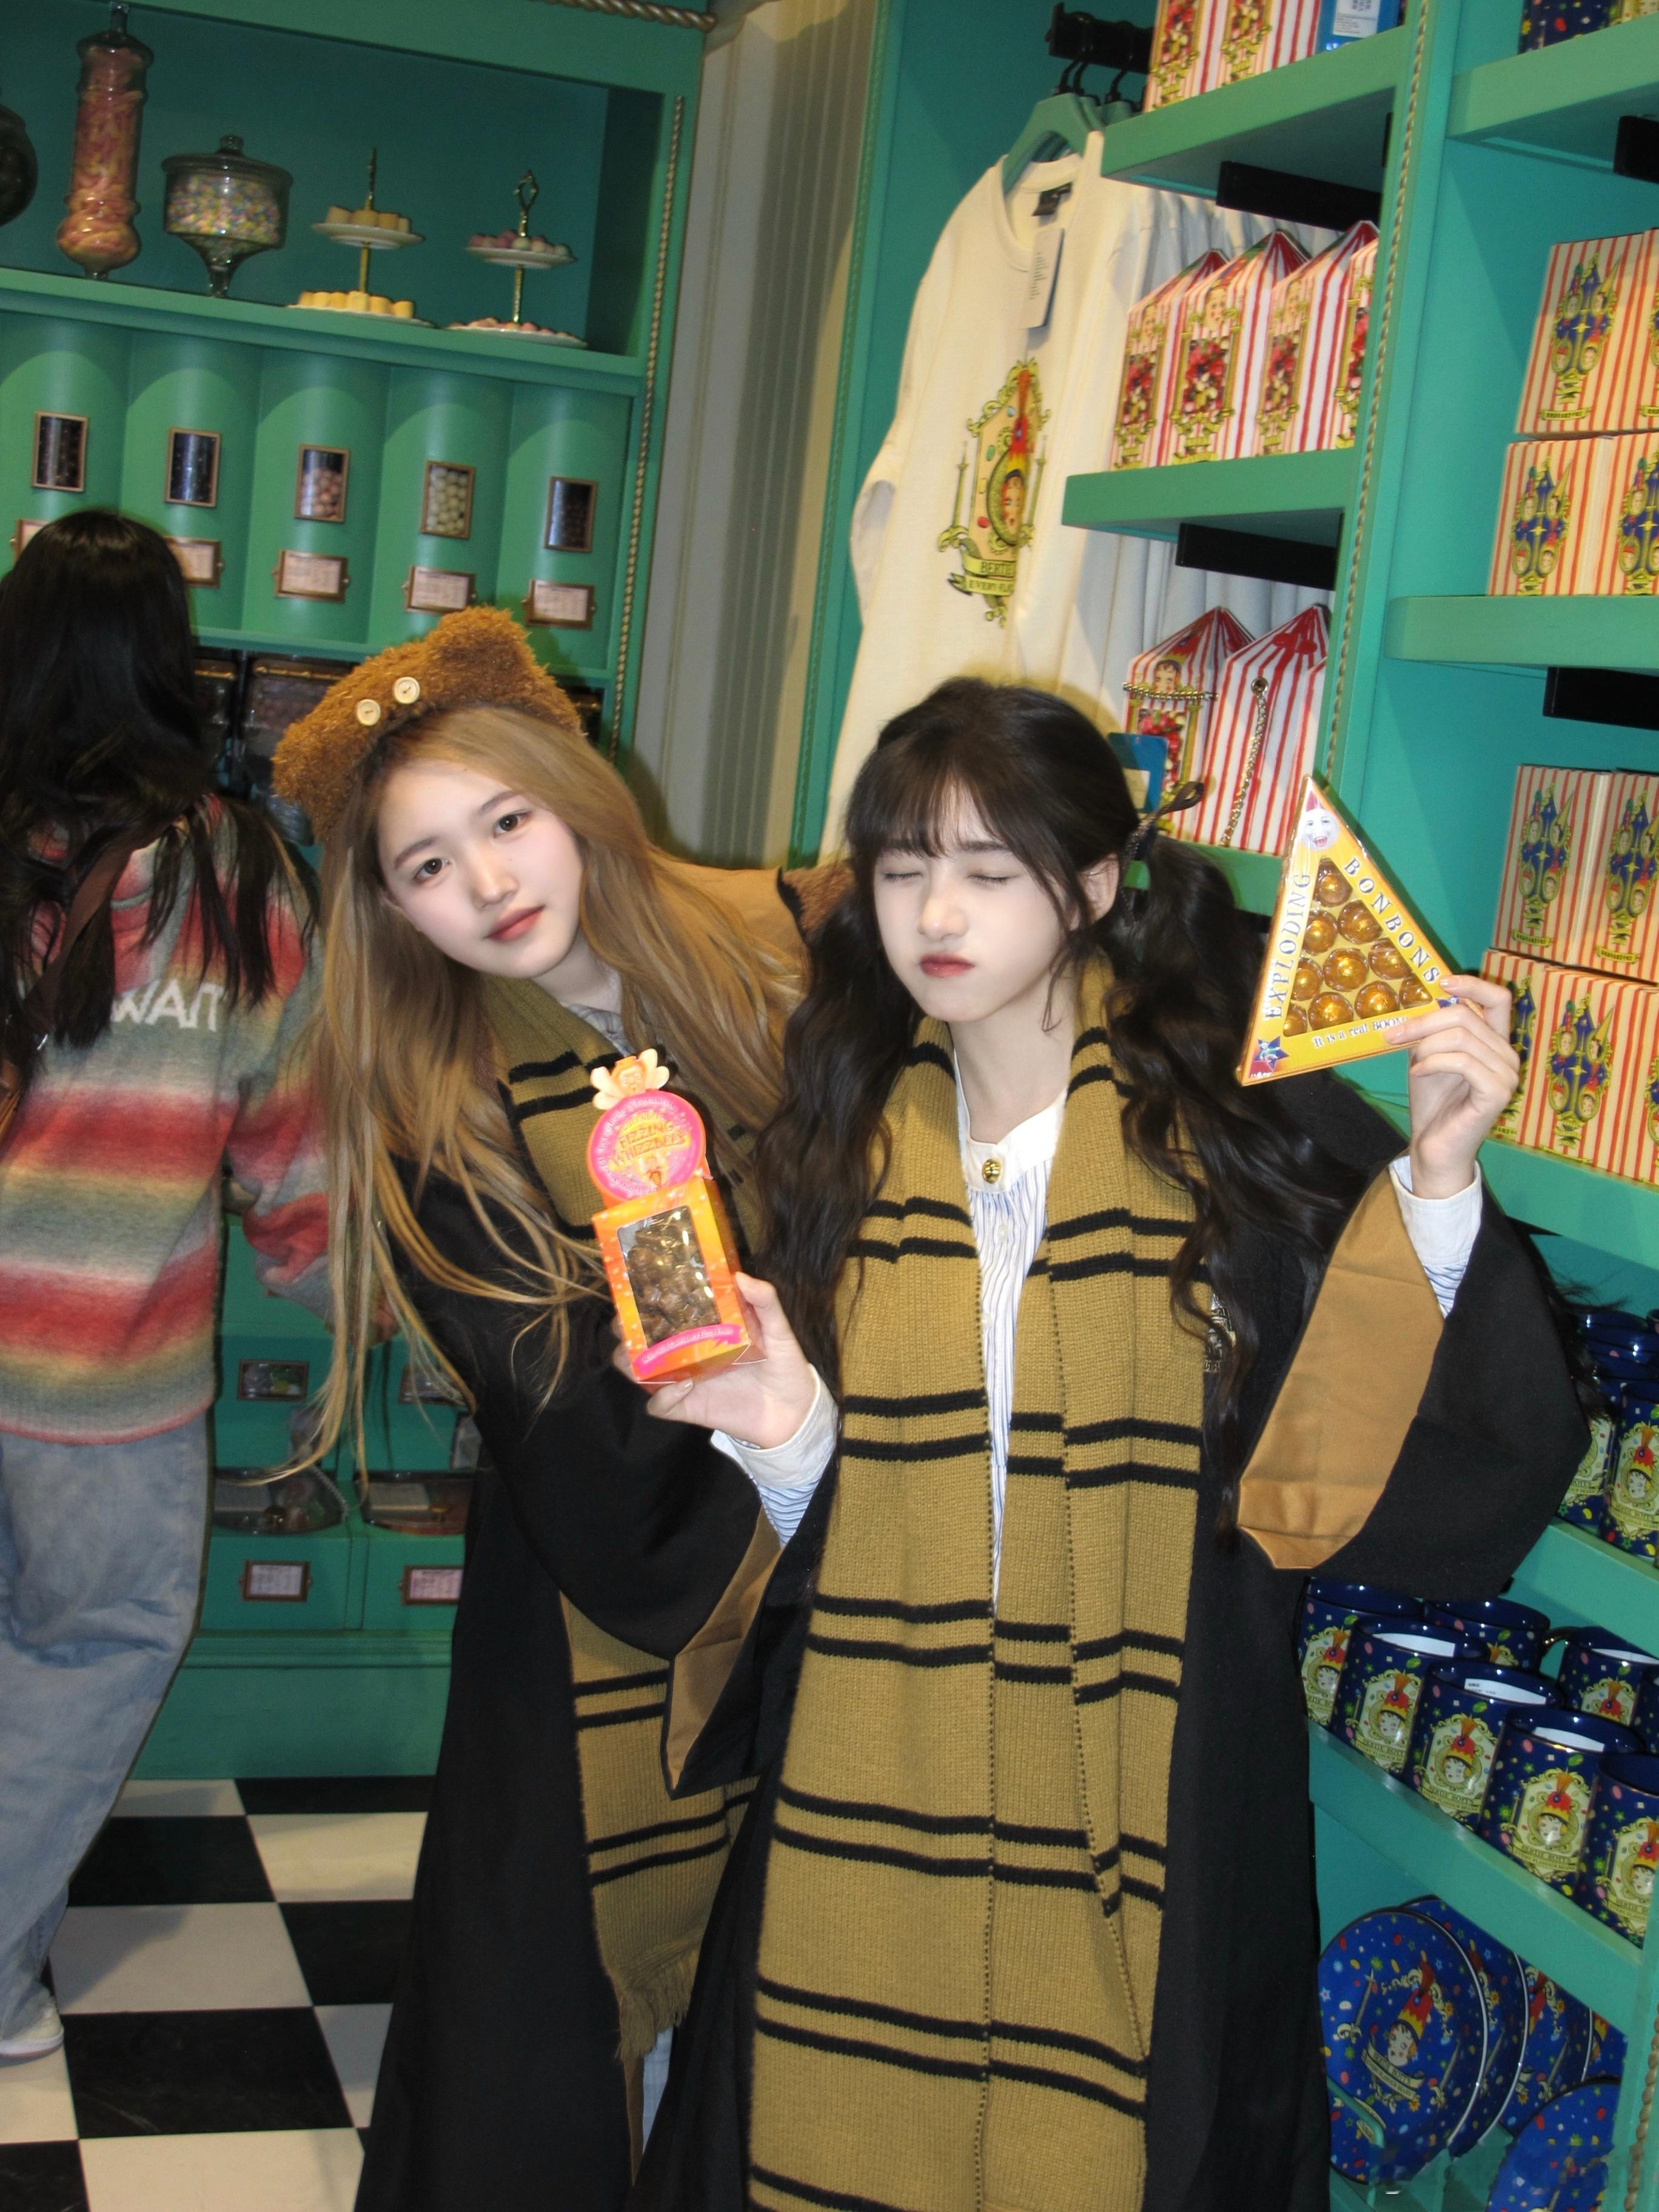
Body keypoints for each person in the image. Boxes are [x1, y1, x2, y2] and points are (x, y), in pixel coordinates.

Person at [625, 678, 1589, 2212]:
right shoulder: (831, 1150)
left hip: (1155, 1801)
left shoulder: (1231, 1140)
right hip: (873, 1807)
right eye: (901, 869)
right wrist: (789, 1436)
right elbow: (824, 1545)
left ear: (1089, 884)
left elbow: (1331, 1482)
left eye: (988, 869)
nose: (937, 912)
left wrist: (1438, 1179)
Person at [270, 606, 810, 2212]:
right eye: (428, 864)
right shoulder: (435, 1109)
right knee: (556, 2047)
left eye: (506, 821)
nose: (490, 884)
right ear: (389, 905)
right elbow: (570, 1427)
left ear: (574, 796)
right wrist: (802, 1450)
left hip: (840, 1548)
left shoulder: (767, 962)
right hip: (594, 1590)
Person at [0, 511, 328, 2060]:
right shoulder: (230, 870)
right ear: (168, 666)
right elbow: (292, 1144)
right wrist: (346, 1299)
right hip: (106, 1386)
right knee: (91, 1653)